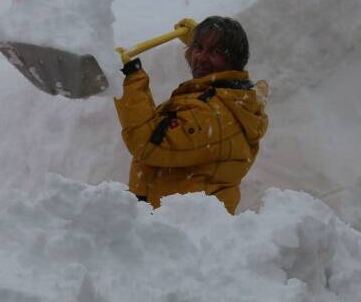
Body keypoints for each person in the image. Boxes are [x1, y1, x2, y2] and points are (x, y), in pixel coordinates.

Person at [114, 15, 268, 213]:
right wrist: (201, 39)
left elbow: (147, 144)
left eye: (216, 51)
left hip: (181, 232)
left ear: (234, 60)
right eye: (198, 47)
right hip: (171, 225)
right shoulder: (234, 97)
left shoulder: (214, 114)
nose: (201, 57)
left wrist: (129, 77)